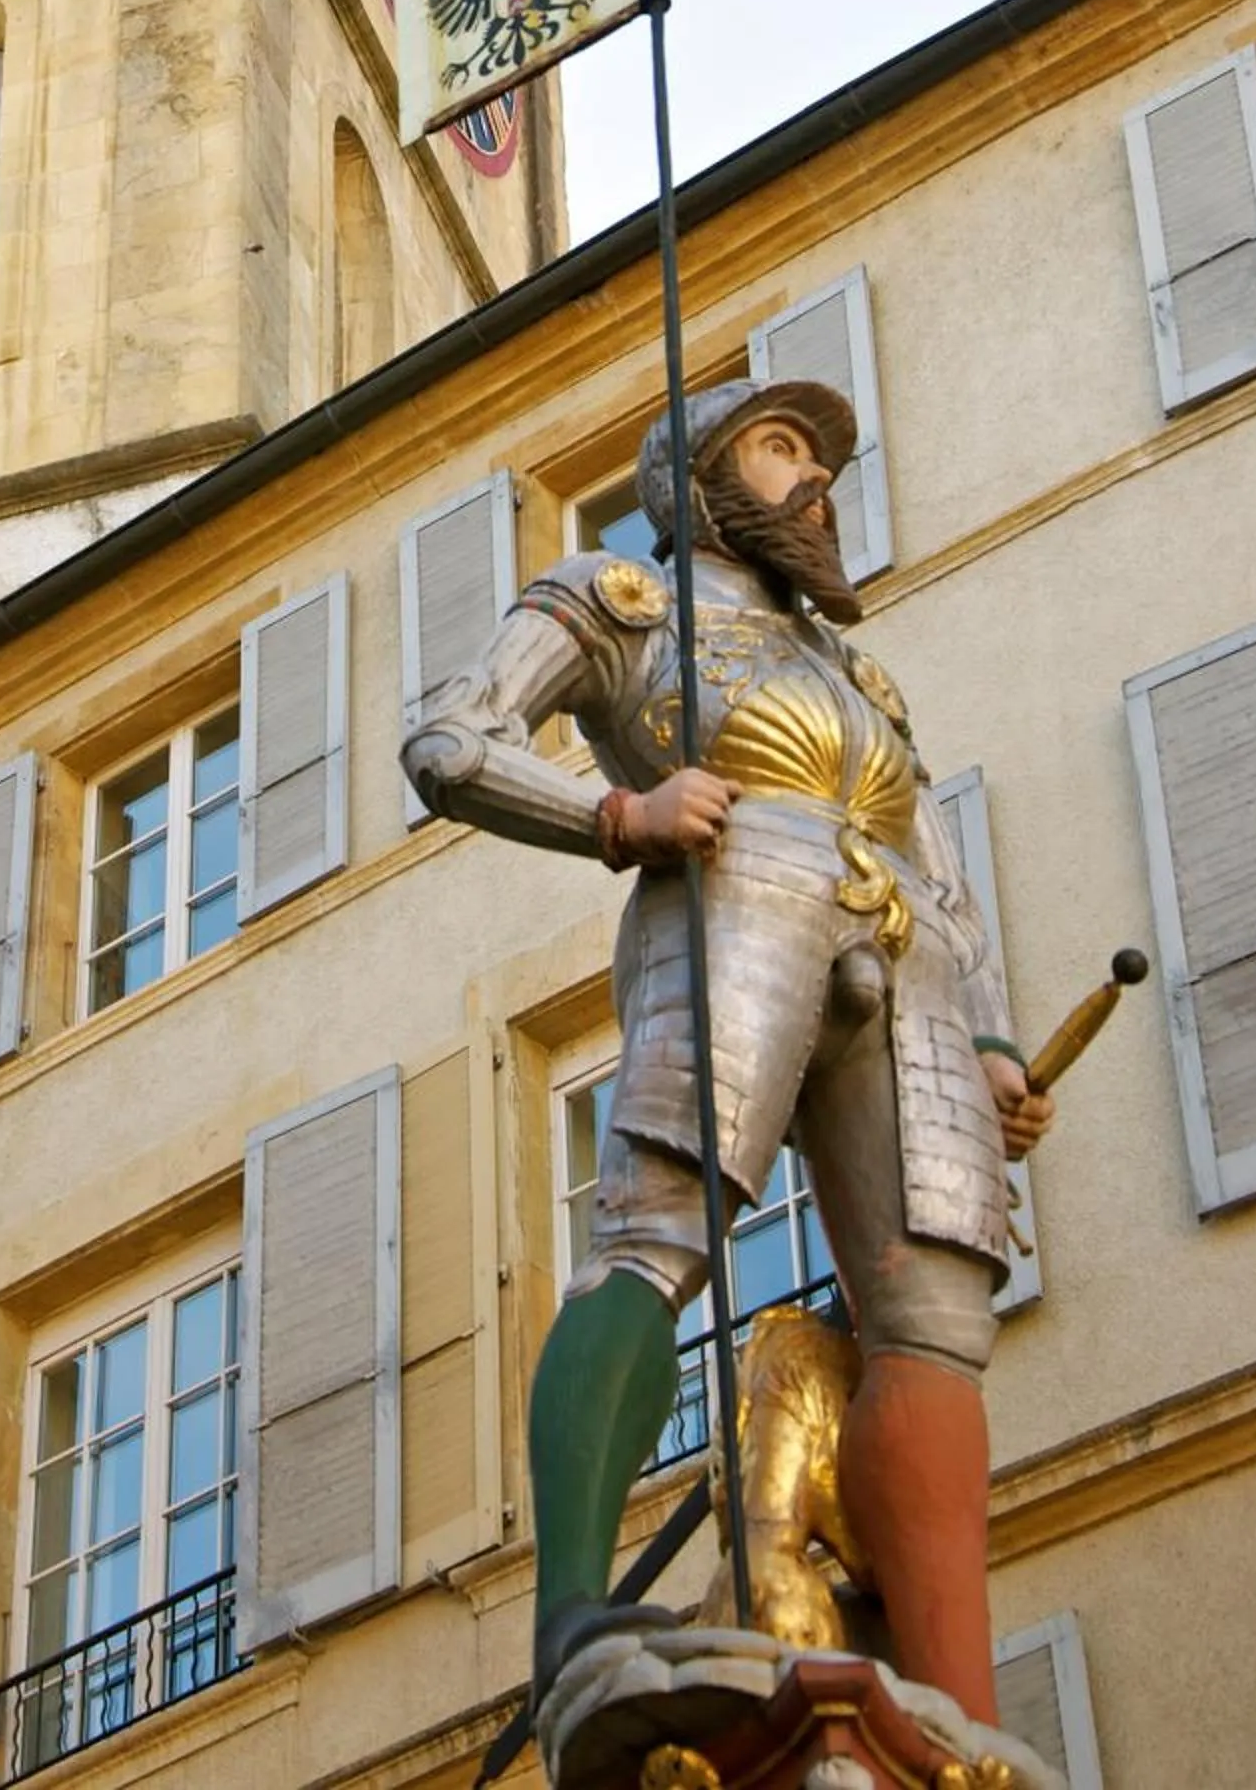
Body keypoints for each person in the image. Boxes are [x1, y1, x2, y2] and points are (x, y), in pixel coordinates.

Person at [401, 379, 1054, 1735]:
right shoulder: (616, 598)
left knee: (933, 1323)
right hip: (736, 885)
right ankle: (574, 1610)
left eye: (819, 459)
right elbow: (452, 739)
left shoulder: (857, 674)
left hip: (909, 948)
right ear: (693, 478)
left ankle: (960, 1715)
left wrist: (993, 1044)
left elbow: (939, 858)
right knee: (659, 1226)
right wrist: (615, 812)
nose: (813, 480)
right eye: (779, 451)